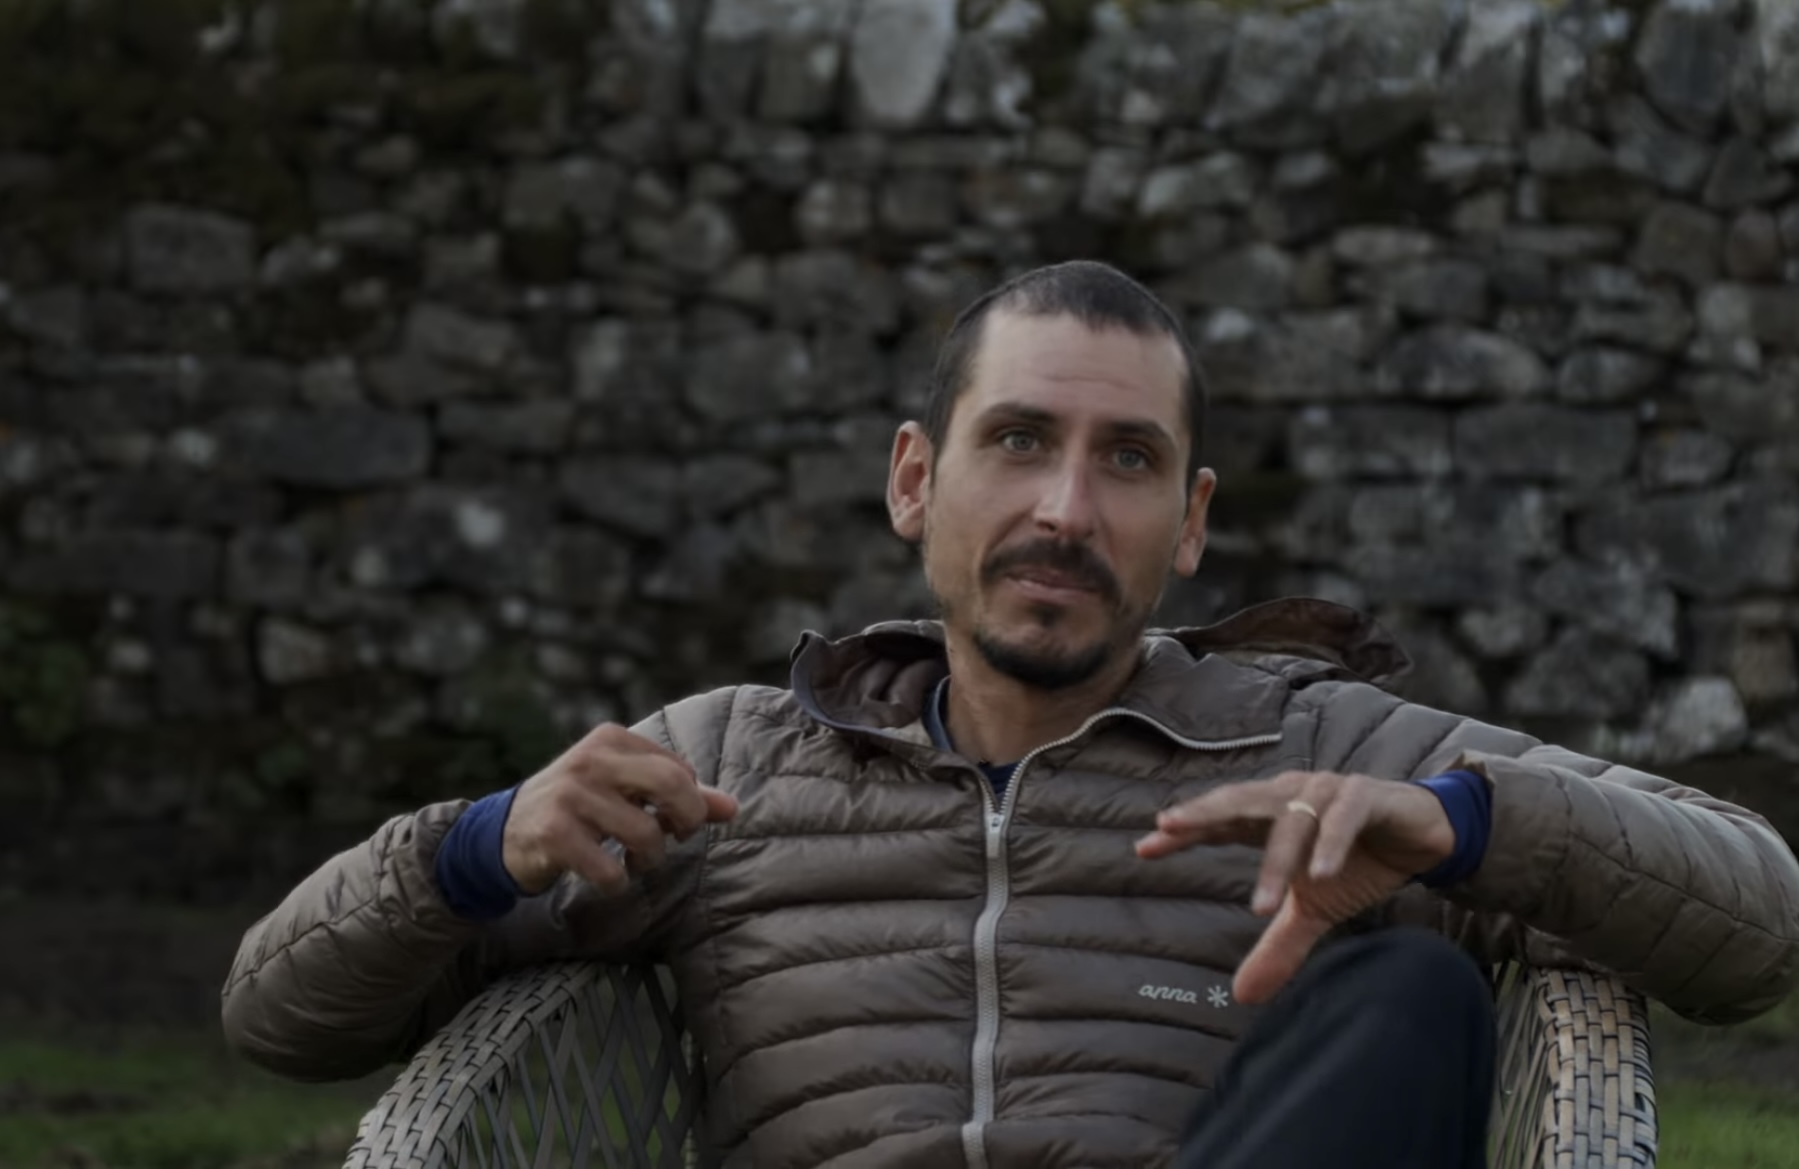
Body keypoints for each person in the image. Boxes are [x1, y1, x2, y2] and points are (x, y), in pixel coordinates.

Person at [223, 260, 1799, 1168]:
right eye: (1021, 440)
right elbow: (277, 1019)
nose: (1065, 507)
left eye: (1127, 461)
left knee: (1414, 999)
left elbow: (1762, 917)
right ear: (917, 478)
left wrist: (1460, 824)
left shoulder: (1311, 746)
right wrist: (476, 848)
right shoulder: (721, 764)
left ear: (1190, 522)